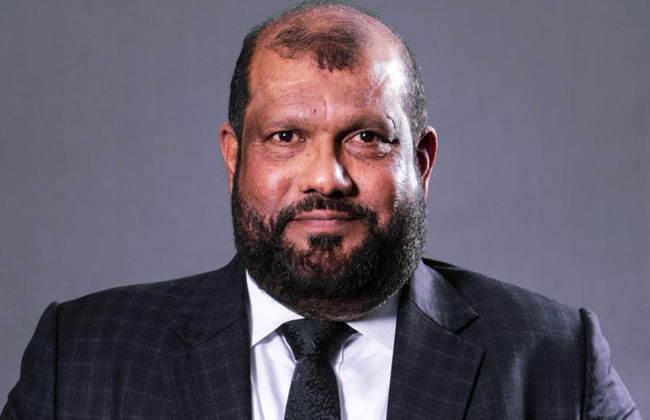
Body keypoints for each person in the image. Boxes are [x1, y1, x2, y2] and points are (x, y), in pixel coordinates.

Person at [1, 2, 641, 419]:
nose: (326, 178)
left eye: (365, 137)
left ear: (421, 162)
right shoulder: (80, 356)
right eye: (286, 136)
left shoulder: (556, 360)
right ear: (234, 156)